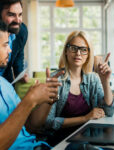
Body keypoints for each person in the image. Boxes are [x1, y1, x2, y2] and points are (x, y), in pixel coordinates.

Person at [45, 31, 114, 146]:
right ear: (66, 51)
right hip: (62, 141)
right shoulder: (56, 79)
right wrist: (85, 118)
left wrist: (105, 81)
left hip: (90, 138)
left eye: (83, 49)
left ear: (88, 54)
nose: (78, 53)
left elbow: (109, 111)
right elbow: (48, 122)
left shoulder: (92, 79)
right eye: (74, 48)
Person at [0, 21, 63, 150]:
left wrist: (48, 96)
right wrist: (29, 101)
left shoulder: (5, 85)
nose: (10, 49)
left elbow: (31, 126)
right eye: (6, 44)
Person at [0, 0, 28, 83]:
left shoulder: (21, 32)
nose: (18, 20)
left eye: (20, 14)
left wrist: (20, 75)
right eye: (11, 15)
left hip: (5, 81)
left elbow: (18, 58)